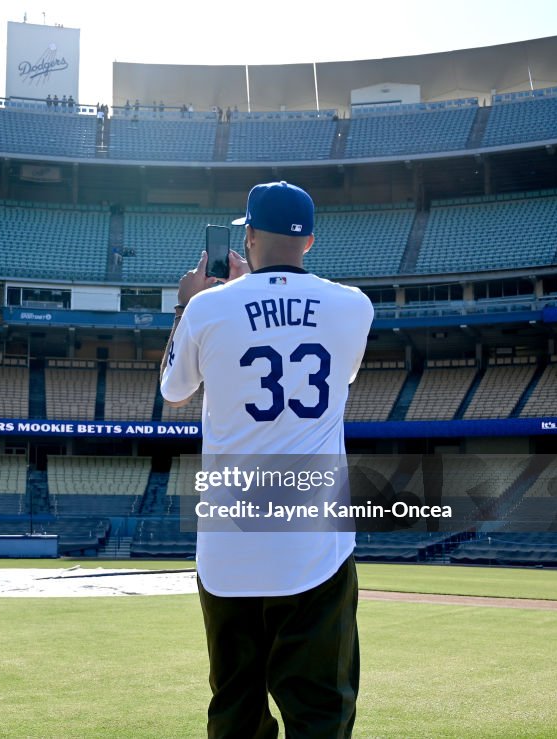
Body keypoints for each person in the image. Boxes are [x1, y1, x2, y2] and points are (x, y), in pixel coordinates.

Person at [160, 181, 373, 738]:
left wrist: (189, 305)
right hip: (313, 544)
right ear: (309, 242)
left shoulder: (207, 307)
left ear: (247, 235)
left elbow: (174, 390)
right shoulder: (354, 305)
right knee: (321, 709)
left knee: (235, 707)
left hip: (229, 541)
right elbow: (338, 372)